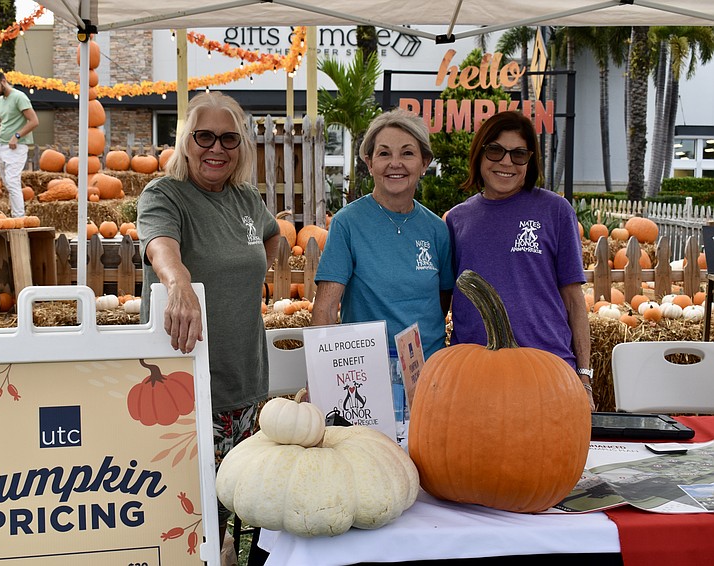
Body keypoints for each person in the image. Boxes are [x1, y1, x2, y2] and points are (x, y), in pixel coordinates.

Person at [136, 91, 280, 542]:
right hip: (188, 386)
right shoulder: (165, 194)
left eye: (228, 139)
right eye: (204, 137)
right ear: (185, 141)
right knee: (192, 515)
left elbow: (272, 238)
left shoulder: (244, 199)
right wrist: (177, 282)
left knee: (245, 505)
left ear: (241, 147)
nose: (216, 148)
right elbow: (161, 246)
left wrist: (255, 278)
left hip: (248, 382)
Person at [445, 110, 595, 411]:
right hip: (475, 373)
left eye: (519, 154)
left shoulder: (555, 211)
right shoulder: (456, 220)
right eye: (495, 150)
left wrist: (584, 376)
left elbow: (574, 301)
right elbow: (441, 302)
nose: (506, 162)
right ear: (480, 154)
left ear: (531, 161)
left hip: (547, 369)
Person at [312, 108, 454, 368]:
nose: (395, 163)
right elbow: (326, 308)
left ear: (424, 163)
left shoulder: (437, 230)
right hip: (367, 369)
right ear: (370, 163)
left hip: (428, 369)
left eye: (408, 153)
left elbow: (441, 300)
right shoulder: (348, 223)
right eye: (384, 153)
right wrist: (319, 375)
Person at [0, 70, 38, 218]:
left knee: (12, 181)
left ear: (3, 81)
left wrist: (17, 136)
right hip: (2, 145)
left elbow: (34, 121)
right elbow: (4, 125)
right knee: (7, 183)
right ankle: (15, 215)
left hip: (17, 146)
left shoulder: (19, 97)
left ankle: (19, 217)